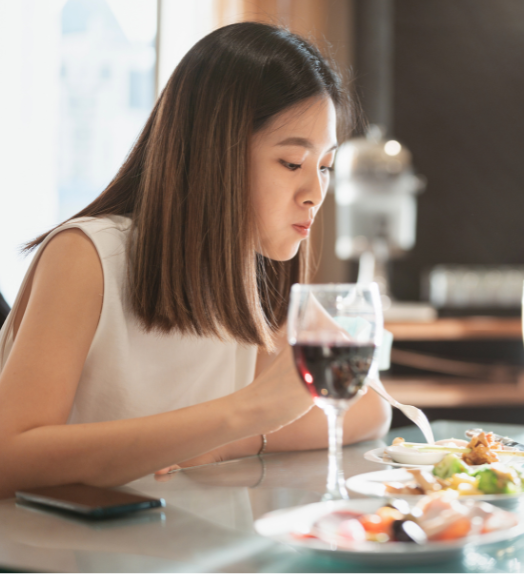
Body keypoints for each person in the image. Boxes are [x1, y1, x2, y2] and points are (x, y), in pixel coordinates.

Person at [0, 22, 391, 498]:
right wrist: (243, 412)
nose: (315, 194)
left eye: (325, 167)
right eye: (292, 163)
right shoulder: (88, 256)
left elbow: (370, 409)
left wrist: (228, 440)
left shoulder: (240, 270)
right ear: (215, 153)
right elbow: (9, 457)